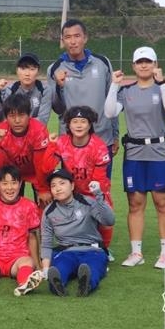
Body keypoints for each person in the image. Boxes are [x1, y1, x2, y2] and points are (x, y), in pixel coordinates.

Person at [104, 46, 165, 269]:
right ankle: (136, 253)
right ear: (133, 65)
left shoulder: (163, 88)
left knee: (162, 203)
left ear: (155, 64)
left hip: (159, 153)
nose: (144, 65)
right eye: (139, 62)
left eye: (148, 61)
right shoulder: (126, 91)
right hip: (134, 154)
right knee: (135, 203)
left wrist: (163, 83)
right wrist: (114, 85)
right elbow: (109, 112)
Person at [47, 19, 118, 175]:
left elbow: (111, 100)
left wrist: (115, 135)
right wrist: (59, 86)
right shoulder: (55, 69)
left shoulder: (103, 63)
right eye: (68, 37)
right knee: (71, 193)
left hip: (102, 138)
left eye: (77, 36)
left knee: (101, 190)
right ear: (63, 40)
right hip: (70, 143)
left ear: (85, 38)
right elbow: (57, 108)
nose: (73, 41)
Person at [46, 106, 114, 255]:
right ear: (68, 125)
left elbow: (99, 180)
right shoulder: (62, 142)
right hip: (72, 190)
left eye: (83, 121)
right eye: (74, 121)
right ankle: (67, 245)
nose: (78, 125)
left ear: (90, 125)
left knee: (104, 214)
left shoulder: (99, 146)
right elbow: (47, 167)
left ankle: (104, 249)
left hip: (94, 190)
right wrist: (51, 145)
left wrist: (91, 199)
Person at [41, 169, 115, 297]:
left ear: (72, 185)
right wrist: (46, 268)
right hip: (66, 252)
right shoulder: (49, 212)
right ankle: (56, 285)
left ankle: (86, 284)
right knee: (60, 268)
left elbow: (109, 221)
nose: (58, 188)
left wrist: (98, 195)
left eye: (62, 183)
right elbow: (46, 243)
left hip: (92, 250)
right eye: (53, 186)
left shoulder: (87, 202)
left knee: (92, 267)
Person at [0, 166, 43, 297]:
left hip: (18, 255)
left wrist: (37, 265)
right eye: (5, 184)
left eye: (13, 183)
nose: (10, 188)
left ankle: (24, 284)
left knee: (27, 263)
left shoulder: (29, 206)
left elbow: (33, 237)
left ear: (20, 184)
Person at [0, 93, 53, 206]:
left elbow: (40, 164)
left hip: (35, 172)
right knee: (7, 204)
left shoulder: (38, 130)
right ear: (6, 117)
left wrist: (43, 189)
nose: (17, 120)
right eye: (12, 116)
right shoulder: (1, 131)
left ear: (29, 115)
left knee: (45, 202)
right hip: (12, 173)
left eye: (21, 115)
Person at [0, 52, 53, 125]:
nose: (27, 73)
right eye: (23, 68)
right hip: (14, 134)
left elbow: (43, 120)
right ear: (17, 71)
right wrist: (0, 96)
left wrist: (19, 123)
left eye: (32, 69)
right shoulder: (10, 89)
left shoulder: (45, 90)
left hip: (36, 133)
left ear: (38, 72)